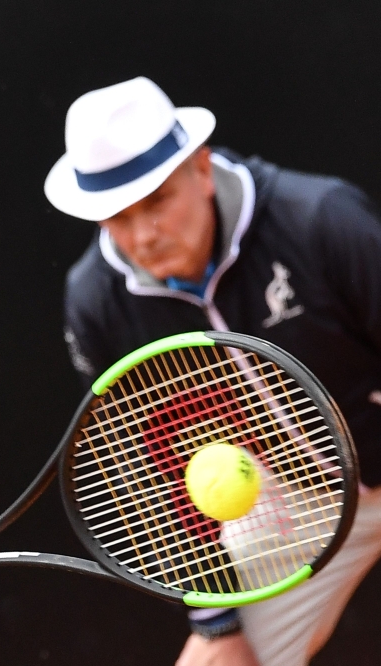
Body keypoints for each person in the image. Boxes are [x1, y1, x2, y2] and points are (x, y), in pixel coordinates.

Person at [45, 76, 381, 666]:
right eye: (117, 218)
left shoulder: (321, 218)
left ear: (201, 169)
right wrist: (216, 620)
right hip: (290, 506)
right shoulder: (95, 302)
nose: (143, 235)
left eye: (155, 201)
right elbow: (145, 471)